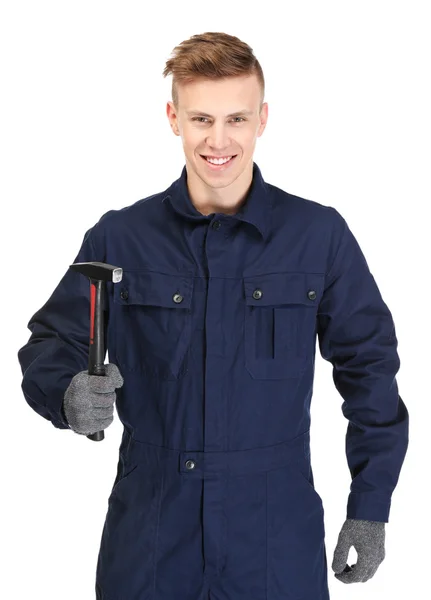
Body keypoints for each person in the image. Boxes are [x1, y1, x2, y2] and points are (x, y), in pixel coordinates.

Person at [17, 31, 409, 600]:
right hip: (150, 537)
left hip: (274, 539)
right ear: (173, 118)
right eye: (202, 119)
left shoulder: (317, 237)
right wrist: (67, 392)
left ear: (263, 119)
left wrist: (370, 505)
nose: (219, 140)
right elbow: (52, 341)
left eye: (237, 119)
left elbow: (370, 367)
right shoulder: (121, 237)